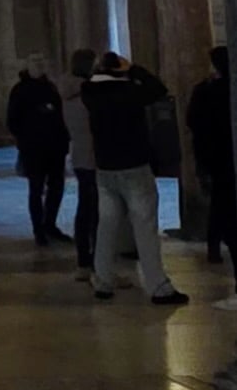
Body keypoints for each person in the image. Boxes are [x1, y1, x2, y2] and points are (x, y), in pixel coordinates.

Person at [78, 52, 185, 304]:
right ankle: (158, 286)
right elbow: (158, 89)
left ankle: (103, 281)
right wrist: (134, 69)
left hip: (105, 169)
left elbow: (93, 79)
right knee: (145, 226)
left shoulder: (89, 92)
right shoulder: (130, 92)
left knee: (107, 225)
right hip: (134, 166)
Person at [187, 47, 237, 286]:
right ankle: (223, 243)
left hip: (213, 154)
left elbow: (192, 121)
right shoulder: (235, 88)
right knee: (225, 201)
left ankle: (215, 245)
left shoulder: (205, 90)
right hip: (232, 153)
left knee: (220, 200)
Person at [6, 63, 70, 245]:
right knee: (36, 188)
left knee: (55, 187)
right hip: (34, 147)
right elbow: (13, 120)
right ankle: (39, 229)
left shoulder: (49, 87)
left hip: (53, 146)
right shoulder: (20, 90)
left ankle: (49, 224)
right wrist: (25, 138)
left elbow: (60, 115)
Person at [60, 48, 103, 274]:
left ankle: (84, 258)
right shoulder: (87, 92)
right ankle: (95, 258)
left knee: (85, 207)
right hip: (93, 155)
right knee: (94, 209)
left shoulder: (68, 91)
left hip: (80, 154)